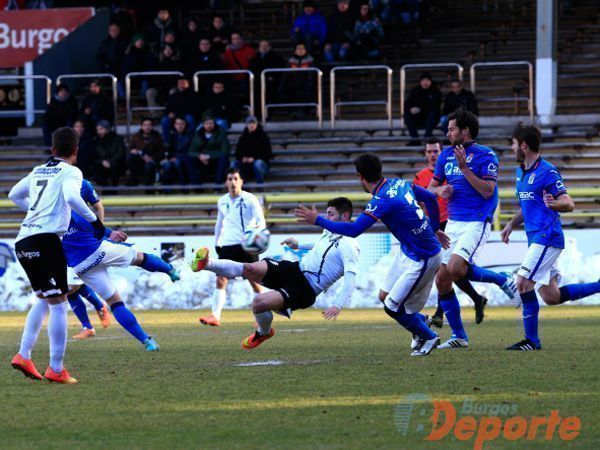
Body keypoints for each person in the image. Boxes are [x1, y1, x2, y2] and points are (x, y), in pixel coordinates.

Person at [296, 154, 451, 357]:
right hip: (408, 250)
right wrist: (434, 228)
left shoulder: (381, 200)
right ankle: (421, 323)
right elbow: (430, 198)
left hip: (424, 257)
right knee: (384, 296)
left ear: (360, 177)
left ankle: (428, 336)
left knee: (392, 307)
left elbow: (353, 230)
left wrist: (318, 220)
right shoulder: (399, 182)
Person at [192, 197, 359, 350]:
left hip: (306, 289)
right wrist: (299, 244)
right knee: (251, 268)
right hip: (294, 269)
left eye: (331, 214)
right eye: (327, 213)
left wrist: (338, 305)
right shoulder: (329, 231)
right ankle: (207, 263)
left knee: (258, 303)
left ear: (344, 217)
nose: (326, 218)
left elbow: (351, 279)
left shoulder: (350, 245)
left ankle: (263, 332)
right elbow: (320, 247)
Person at [8, 127, 106, 384]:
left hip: (23, 240)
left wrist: (35, 211)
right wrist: (95, 221)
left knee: (43, 299)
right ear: (75, 151)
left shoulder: (38, 170)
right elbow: (73, 197)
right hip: (45, 241)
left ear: (52, 150)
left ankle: (24, 354)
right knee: (60, 305)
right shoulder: (72, 171)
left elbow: (13, 194)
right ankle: (56, 368)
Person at [501, 123, 600, 351]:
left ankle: (531, 342)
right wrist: (510, 224)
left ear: (523, 145)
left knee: (523, 283)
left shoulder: (547, 171)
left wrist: (556, 203)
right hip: (536, 239)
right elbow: (527, 204)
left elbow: (569, 203)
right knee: (551, 296)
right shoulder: (521, 172)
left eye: (514, 144)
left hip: (547, 237)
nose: (512, 148)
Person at [427, 110, 517, 350]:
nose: (448, 133)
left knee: (456, 268)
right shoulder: (445, 155)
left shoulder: (485, 155)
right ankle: (459, 336)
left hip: (477, 220)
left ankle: (502, 279)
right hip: (454, 223)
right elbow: (430, 187)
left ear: (465, 131)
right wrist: (439, 191)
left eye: (452, 129)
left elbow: (488, 191)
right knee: (442, 280)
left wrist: (465, 169)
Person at [61, 179, 179, 350]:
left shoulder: (47, 206)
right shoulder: (71, 193)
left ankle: (146, 341)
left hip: (79, 264)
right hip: (97, 248)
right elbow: (83, 221)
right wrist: (109, 233)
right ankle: (170, 270)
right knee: (140, 258)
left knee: (115, 302)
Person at [413, 137, 488, 326]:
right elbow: (419, 202)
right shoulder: (420, 176)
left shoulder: (449, 168)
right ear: (425, 154)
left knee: (447, 270)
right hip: (434, 225)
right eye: (429, 152)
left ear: (440, 152)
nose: (432, 155)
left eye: (435, 151)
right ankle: (476, 299)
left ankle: (441, 312)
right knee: (445, 271)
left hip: (452, 222)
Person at [197, 167, 266, 326]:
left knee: (254, 279)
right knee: (221, 278)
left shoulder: (250, 199)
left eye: (236, 178)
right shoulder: (222, 200)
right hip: (228, 244)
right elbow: (219, 222)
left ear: (241, 181)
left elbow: (260, 220)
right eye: (230, 179)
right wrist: (216, 242)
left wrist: (257, 237)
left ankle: (261, 315)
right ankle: (215, 316)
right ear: (226, 182)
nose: (233, 182)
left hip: (246, 245)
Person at [64, 180, 111, 339]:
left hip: (79, 243)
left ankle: (90, 323)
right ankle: (95, 315)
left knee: (70, 288)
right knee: (70, 287)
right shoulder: (52, 183)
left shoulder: (83, 184)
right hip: (60, 242)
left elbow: (98, 206)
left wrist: (99, 228)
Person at [187, 113, 231, 185]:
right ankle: (196, 186)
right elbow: (191, 151)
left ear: (214, 124)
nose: (209, 125)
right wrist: (200, 156)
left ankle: (217, 186)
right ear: (203, 124)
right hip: (201, 161)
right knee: (189, 159)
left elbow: (225, 151)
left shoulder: (221, 133)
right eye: (207, 123)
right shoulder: (198, 134)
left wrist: (209, 156)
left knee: (224, 158)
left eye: (211, 123)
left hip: (215, 161)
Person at [280, 43, 316, 119]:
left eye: (302, 48)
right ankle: (292, 113)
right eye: (298, 48)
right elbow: (286, 75)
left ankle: (302, 113)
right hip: (293, 85)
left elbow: (312, 76)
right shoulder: (291, 60)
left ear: (306, 50)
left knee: (305, 93)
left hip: (305, 84)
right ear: (295, 51)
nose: (300, 50)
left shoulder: (310, 60)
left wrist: (310, 85)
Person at [233, 116, 272, 184]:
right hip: (246, 164)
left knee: (257, 163)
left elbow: (268, 153)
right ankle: (237, 187)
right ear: (247, 125)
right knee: (233, 164)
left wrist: (254, 158)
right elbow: (237, 153)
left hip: (261, 164)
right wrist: (243, 158)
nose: (251, 125)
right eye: (249, 123)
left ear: (257, 124)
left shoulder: (263, 136)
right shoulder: (243, 137)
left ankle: (260, 186)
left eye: (253, 123)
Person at [404, 72, 441, 143]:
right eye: (423, 80)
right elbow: (407, 104)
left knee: (432, 113)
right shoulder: (415, 90)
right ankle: (415, 139)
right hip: (417, 118)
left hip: (431, 119)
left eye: (427, 80)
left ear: (430, 81)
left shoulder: (435, 91)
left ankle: (427, 137)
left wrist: (420, 109)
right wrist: (410, 109)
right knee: (406, 114)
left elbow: (435, 106)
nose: (425, 82)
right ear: (420, 81)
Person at [161, 77, 200, 144]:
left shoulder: (193, 94)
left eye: (183, 83)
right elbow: (167, 108)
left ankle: (190, 141)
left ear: (188, 84)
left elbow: (194, 109)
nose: (181, 85)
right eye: (179, 83)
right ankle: (166, 142)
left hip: (187, 115)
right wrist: (169, 113)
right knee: (164, 120)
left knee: (190, 118)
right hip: (175, 116)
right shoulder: (173, 95)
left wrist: (176, 113)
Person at [127, 117, 165, 187]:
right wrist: (134, 151)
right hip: (139, 161)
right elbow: (129, 149)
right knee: (130, 156)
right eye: (145, 125)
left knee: (149, 166)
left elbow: (162, 153)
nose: (147, 127)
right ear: (141, 126)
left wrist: (151, 158)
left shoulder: (157, 137)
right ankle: (134, 179)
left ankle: (148, 186)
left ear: (152, 126)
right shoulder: (135, 136)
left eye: (149, 125)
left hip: (152, 161)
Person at [249, 39, 285, 105]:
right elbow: (252, 68)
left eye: (266, 46)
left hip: (270, 82)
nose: (263, 47)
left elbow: (280, 69)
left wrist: (272, 76)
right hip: (257, 81)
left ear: (270, 47)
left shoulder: (276, 57)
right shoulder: (255, 57)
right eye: (261, 46)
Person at [96, 22, 127, 96]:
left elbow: (127, 56)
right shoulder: (105, 43)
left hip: (121, 70)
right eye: (112, 30)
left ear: (119, 31)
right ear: (109, 31)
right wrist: (105, 65)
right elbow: (99, 56)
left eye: (115, 30)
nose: (114, 32)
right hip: (108, 69)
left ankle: (123, 99)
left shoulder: (124, 42)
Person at [93, 120, 126, 188]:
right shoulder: (96, 141)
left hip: (116, 164)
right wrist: (102, 161)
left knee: (115, 165)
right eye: (97, 130)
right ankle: (105, 189)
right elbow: (94, 156)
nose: (98, 132)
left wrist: (109, 161)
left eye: (101, 129)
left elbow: (120, 154)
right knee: (96, 166)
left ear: (107, 129)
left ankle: (114, 189)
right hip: (102, 164)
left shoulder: (118, 139)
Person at [163, 116, 194, 185]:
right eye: (177, 124)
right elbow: (169, 150)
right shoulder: (171, 136)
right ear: (174, 125)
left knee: (178, 163)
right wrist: (170, 158)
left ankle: (183, 187)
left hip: (184, 158)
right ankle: (166, 190)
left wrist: (177, 157)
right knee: (166, 166)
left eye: (182, 124)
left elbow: (190, 151)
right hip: (173, 158)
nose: (179, 126)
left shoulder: (190, 136)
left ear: (185, 125)